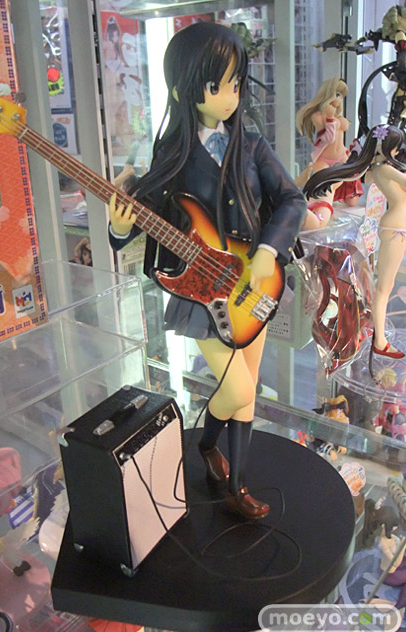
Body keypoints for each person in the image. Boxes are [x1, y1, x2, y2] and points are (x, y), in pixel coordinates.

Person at [108, 22, 306, 519]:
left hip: (253, 281)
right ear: (184, 89)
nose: (229, 96)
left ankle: (235, 483)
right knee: (238, 388)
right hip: (200, 293)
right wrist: (119, 227)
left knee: (248, 391)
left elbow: (292, 199)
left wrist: (268, 250)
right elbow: (143, 221)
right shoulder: (171, 155)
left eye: (235, 84)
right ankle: (206, 445)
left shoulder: (252, 146)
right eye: (217, 85)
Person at [304, 124, 406, 369]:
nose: (397, 152)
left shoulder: (381, 169)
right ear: (386, 147)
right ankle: (380, 341)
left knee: (385, 286)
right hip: (396, 228)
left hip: (397, 227)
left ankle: (378, 336)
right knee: (384, 288)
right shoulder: (384, 169)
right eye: (395, 147)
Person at [296, 77, 363, 229]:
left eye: (341, 96)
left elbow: (342, 135)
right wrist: (330, 119)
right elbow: (328, 138)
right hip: (324, 159)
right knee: (321, 190)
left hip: (341, 156)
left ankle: (324, 212)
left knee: (352, 200)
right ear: (327, 95)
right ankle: (316, 215)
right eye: (337, 94)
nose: (339, 100)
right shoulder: (318, 116)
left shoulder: (339, 117)